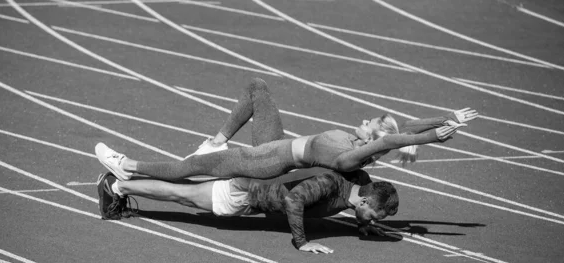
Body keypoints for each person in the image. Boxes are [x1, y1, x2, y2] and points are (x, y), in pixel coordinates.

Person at [95, 78, 477, 182]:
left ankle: (127, 165)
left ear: (374, 136)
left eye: (370, 122)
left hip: (263, 161)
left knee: (191, 167)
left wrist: (430, 138)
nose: (364, 119)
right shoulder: (361, 142)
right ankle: (216, 140)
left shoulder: (351, 155)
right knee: (258, 90)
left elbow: (398, 137)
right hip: (276, 143)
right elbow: (404, 128)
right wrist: (447, 119)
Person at [97, 166, 399, 254]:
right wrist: (302, 242)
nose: (374, 221)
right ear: (365, 202)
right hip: (246, 192)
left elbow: (366, 179)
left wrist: (362, 224)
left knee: (187, 187)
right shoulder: (332, 185)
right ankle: (117, 186)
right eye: (374, 216)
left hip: (252, 192)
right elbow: (294, 201)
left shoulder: (360, 183)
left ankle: (126, 182)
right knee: (183, 195)